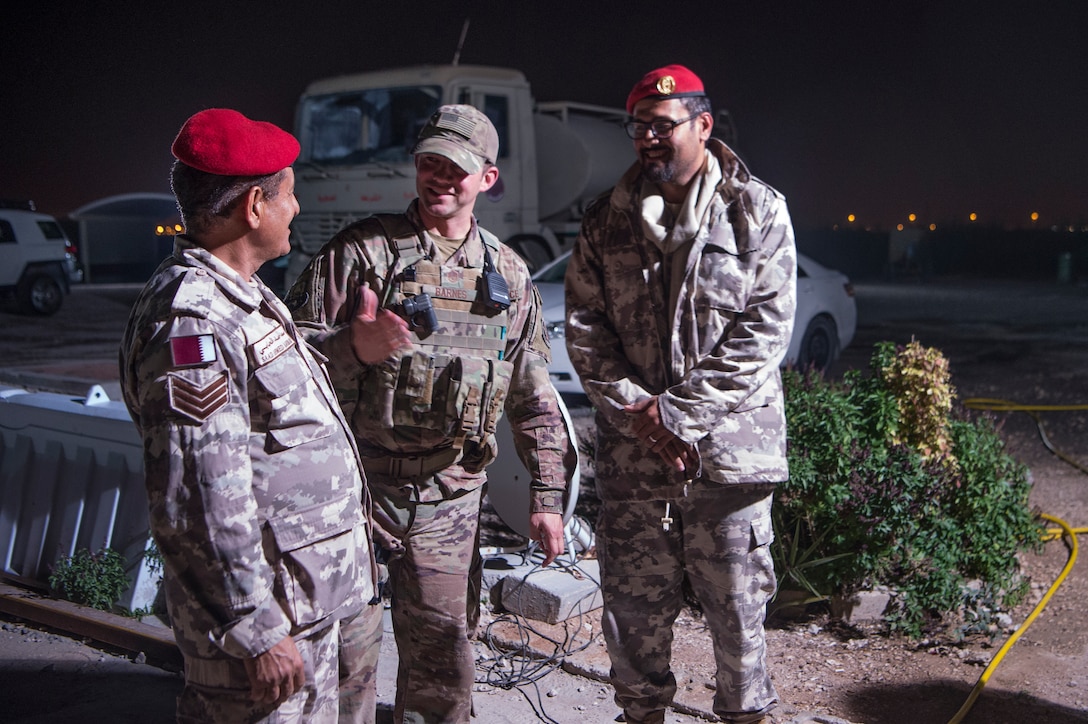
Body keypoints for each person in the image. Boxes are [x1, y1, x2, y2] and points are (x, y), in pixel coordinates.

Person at [287, 104, 574, 723]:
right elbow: (286, 369)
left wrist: (548, 497)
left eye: (458, 169)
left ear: (487, 180)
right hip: (358, 490)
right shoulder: (361, 253)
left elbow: (533, 396)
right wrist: (352, 348)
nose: (441, 178)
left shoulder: (511, 277)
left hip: (451, 495)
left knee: (445, 664)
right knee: (343, 659)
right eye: (429, 163)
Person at [119, 108, 379, 723]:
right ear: (255, 205)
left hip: (301, 607)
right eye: (290, 196)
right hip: (266, 625)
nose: (297, 210)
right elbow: (199, 492)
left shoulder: (244, 294)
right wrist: (254, 625)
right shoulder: (192, 320)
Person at [564, 65, 797, 724]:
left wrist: (675, 414)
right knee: (633, 634)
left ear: (702, 125)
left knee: (740, 639)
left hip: (728, 466)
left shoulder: (756, 211)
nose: (647, 140)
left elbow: (765, 331)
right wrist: (637, 412)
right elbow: (585, 328)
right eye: (638, 127)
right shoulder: (605, 222)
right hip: (637, 470)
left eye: (662, 126)